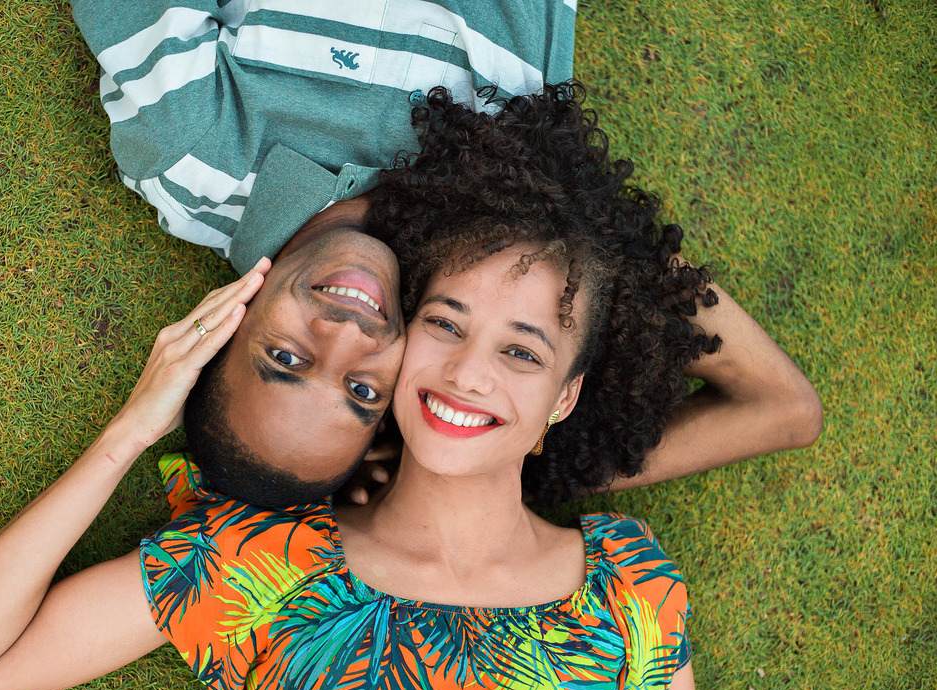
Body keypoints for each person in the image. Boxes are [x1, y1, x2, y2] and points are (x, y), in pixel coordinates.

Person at [0, 84, 818, 690]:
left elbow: (786, 410)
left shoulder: (623, 587)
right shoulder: (261, 564)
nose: (468, 376)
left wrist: (604, 242)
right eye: (446, 325)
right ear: (398, 344)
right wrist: (133, 430)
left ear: (566, 400)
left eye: (523, 351)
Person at [70, 0, 580, 504]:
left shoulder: (193, 157)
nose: (345, 335)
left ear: (223, 330)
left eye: (286, 357)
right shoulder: (511, 211)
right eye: (362, 391)